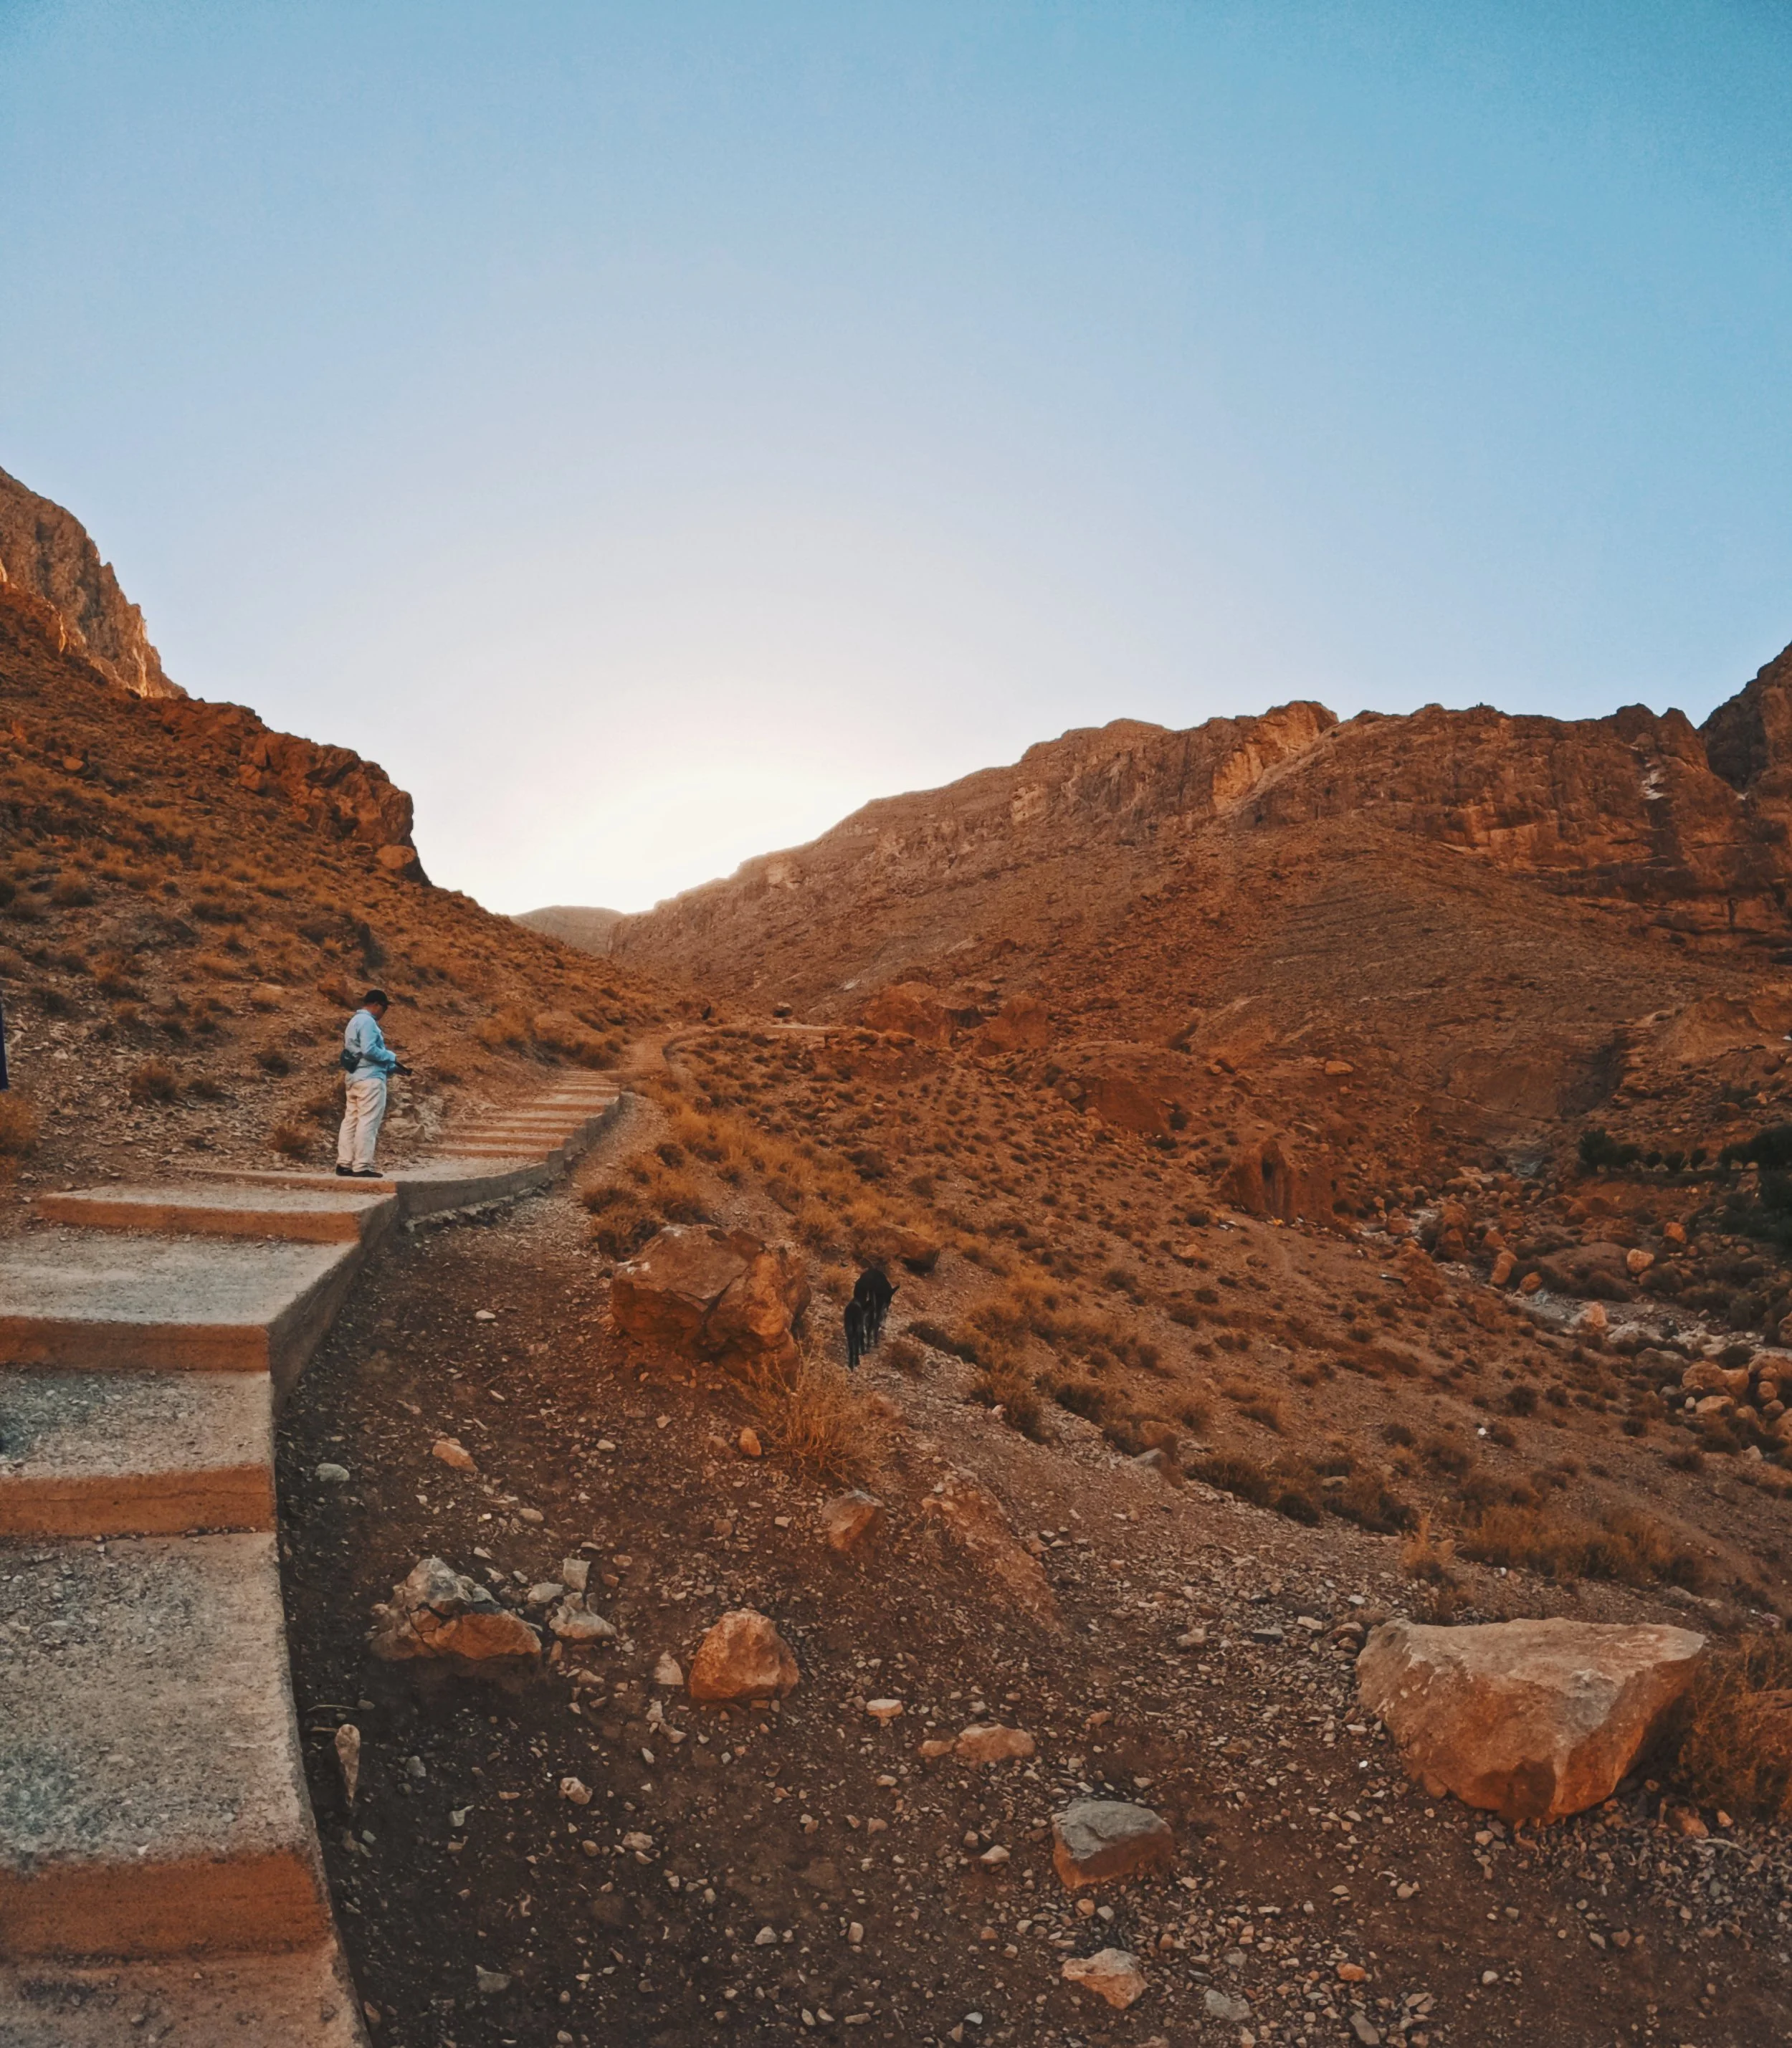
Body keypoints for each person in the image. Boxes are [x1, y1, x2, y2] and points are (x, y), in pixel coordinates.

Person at [336, 989, 406, 1177]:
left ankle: (344, 1163)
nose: (384, 1013)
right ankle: (362, 1165)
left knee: (350, 1120)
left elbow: (359, 1053)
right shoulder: (368, 1022)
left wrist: (391, 1067)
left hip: (354, 1078)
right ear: (375, 1005)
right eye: (384, 1008)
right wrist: (391, 1057)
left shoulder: (354, 1021)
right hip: (370, 1080)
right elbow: (369, 1050)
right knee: (368, 1122)